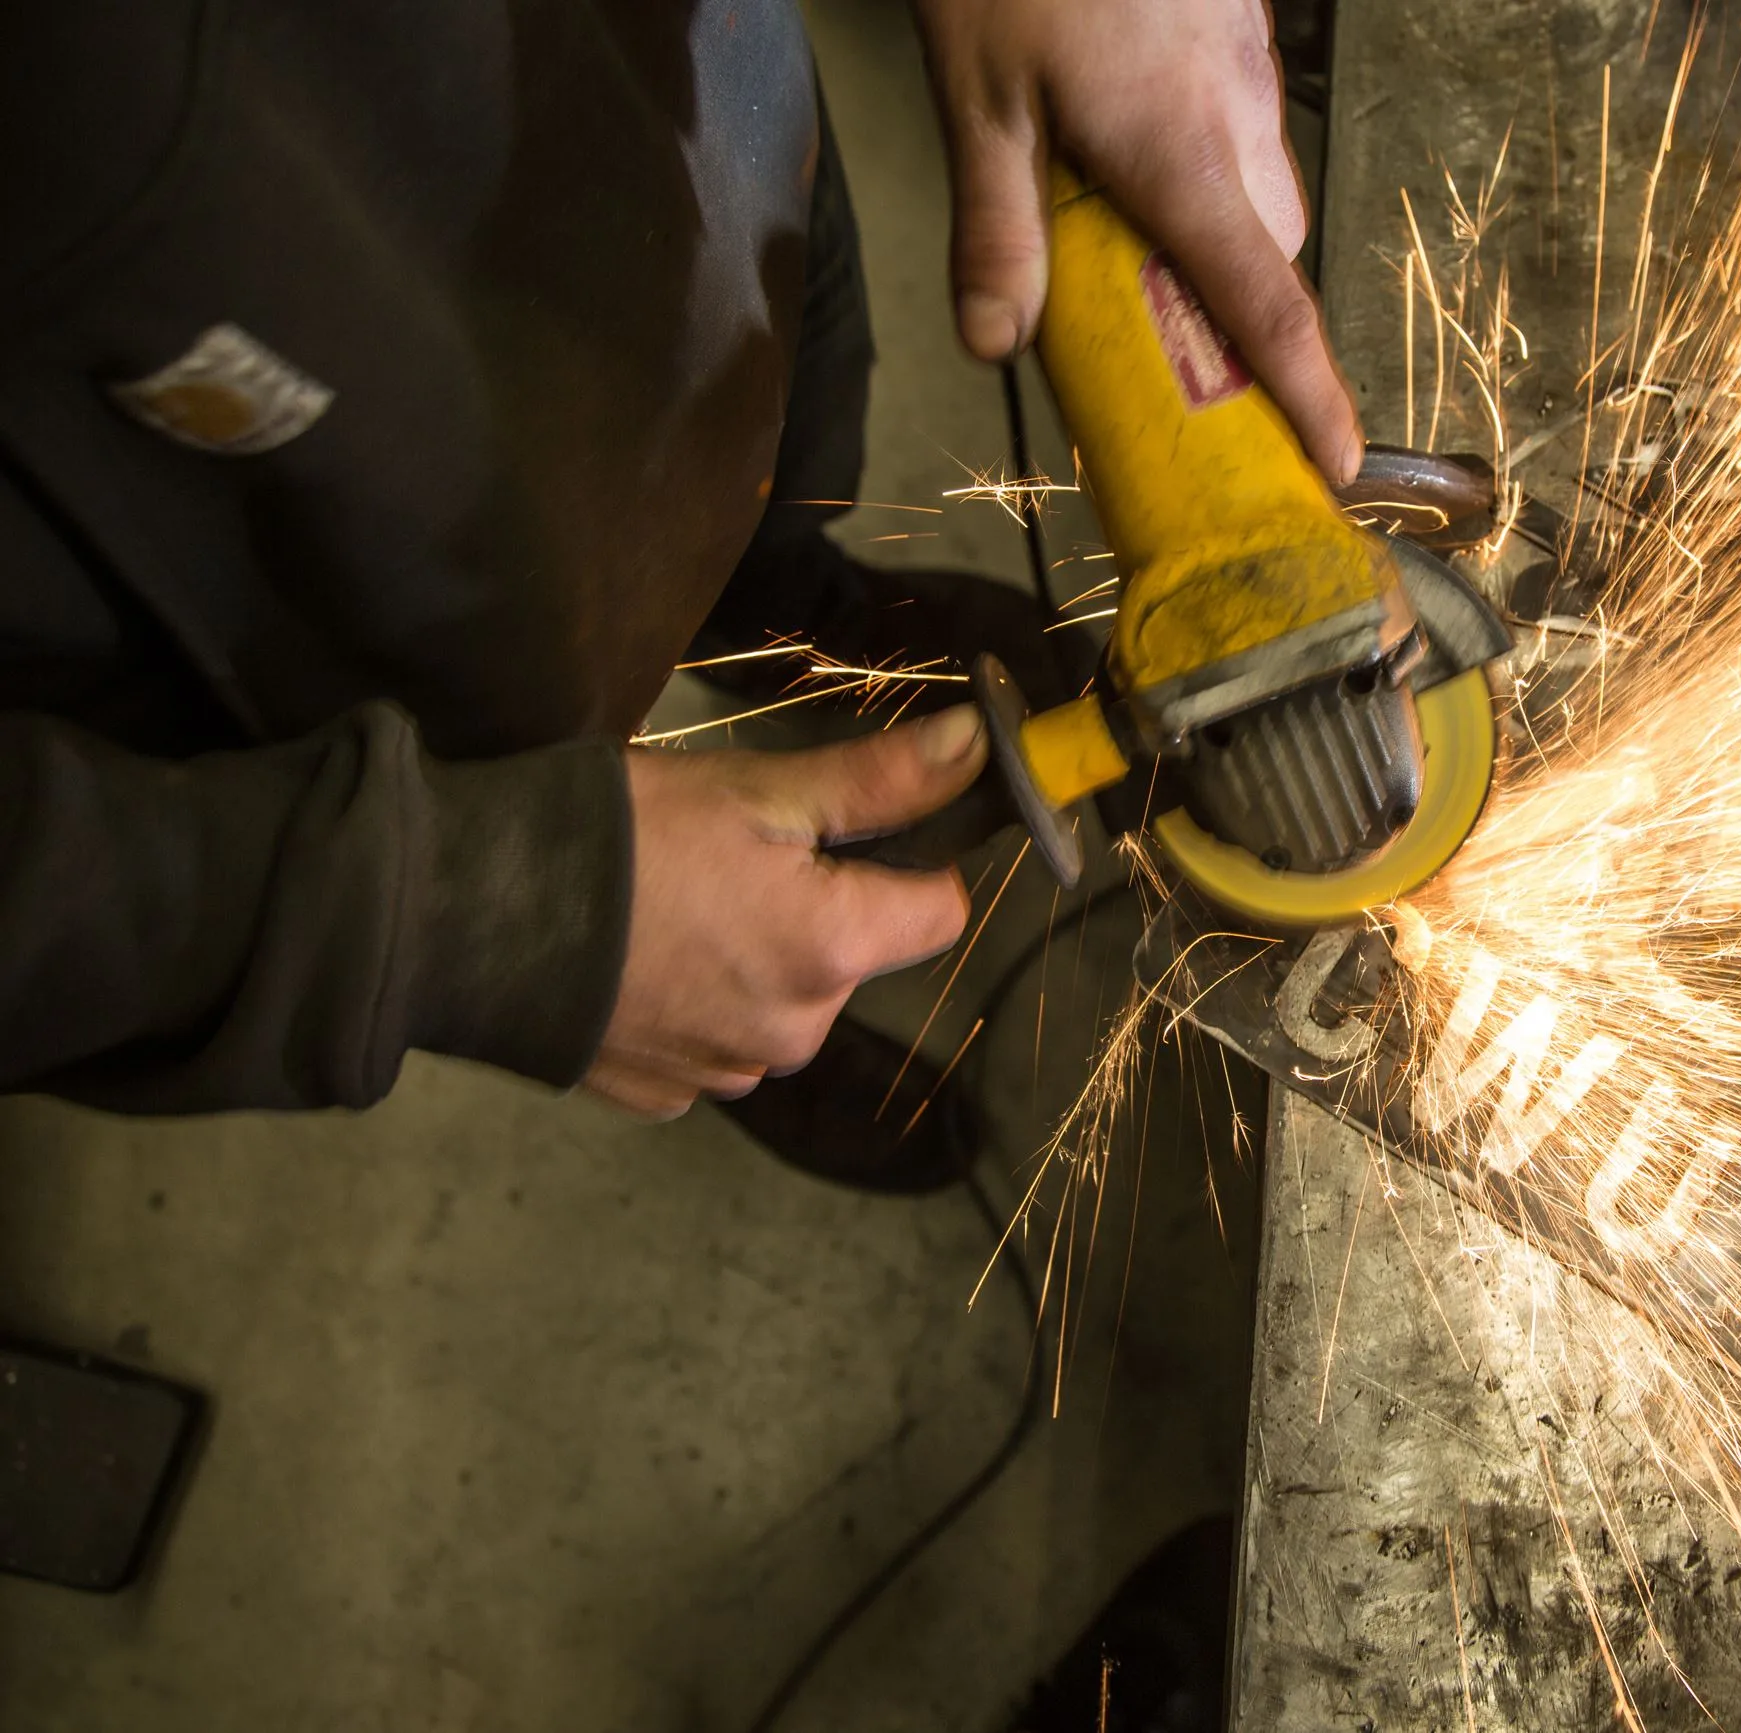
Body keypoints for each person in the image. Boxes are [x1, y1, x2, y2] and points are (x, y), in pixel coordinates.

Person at [0, 0, 1361, 1145]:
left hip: (714, 154)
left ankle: (787, 600)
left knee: (770, 459)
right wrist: (470, 913)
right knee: (643, 856)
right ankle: (762, 1032)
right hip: (316, 555)